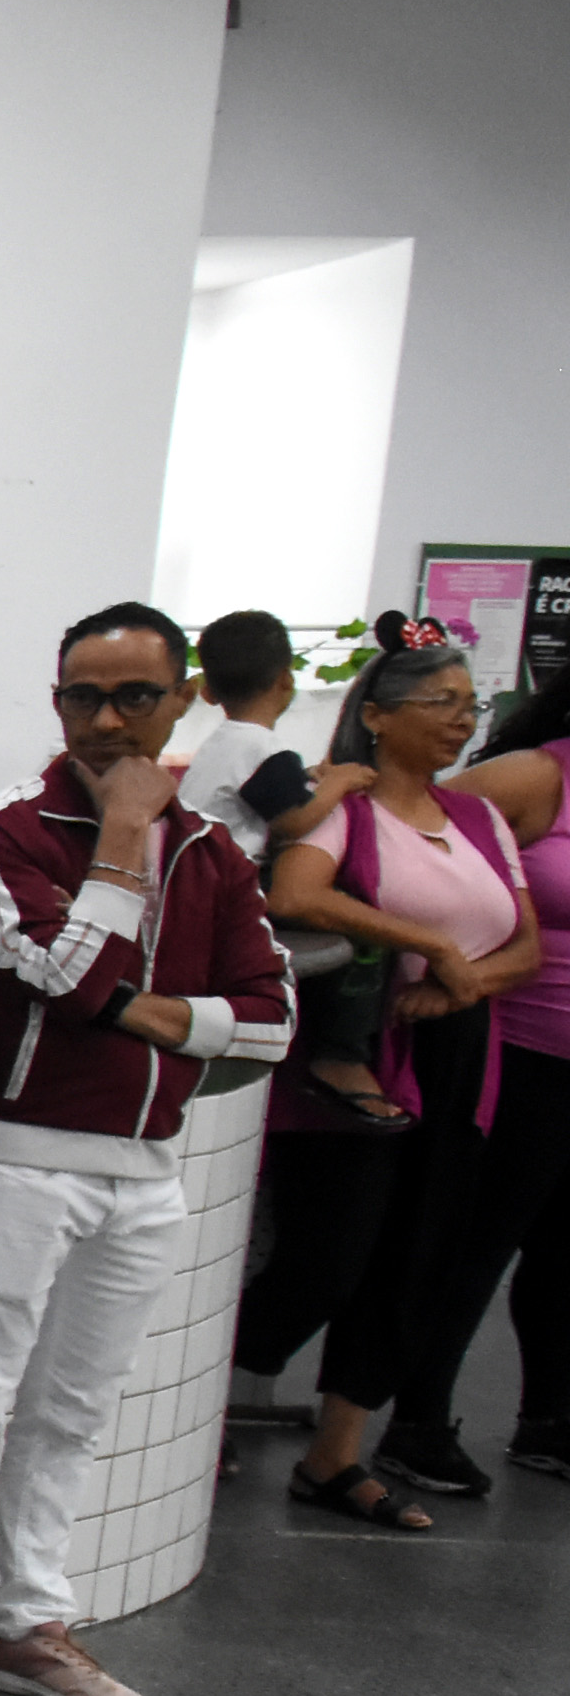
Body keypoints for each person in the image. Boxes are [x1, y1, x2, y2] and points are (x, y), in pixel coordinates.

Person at [0, 604, 291, 1696]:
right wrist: (116, 844)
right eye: (80, 698)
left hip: (147, 1169)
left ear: (178, 700)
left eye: (132, 698)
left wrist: (154, 1017)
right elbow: (58, 971)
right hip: (15, 1158)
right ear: (55, 703)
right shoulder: (1, 829)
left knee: (72, 1410)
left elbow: (272, 1021)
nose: (104, 721)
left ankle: (27, 1622)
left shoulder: (212, 855)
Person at [227, 638, 540, 1517]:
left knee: (416, 1255)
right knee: (329, 1256)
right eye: (440, 701)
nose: (460, 719)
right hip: (358, 1056)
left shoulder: (476, 820)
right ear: (376, 714)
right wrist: (432, 945)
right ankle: (198, 1400)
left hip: (456, 1046)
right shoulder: (347, 801)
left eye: (469, 705)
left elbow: (524, 944)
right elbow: (296, 895)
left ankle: (335, 1455)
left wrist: (461, 985)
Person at [185, 605, 403, 1125]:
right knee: (364, 928)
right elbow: (291, 822)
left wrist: (311, 778)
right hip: (232, 885)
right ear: (286, 680)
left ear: (209, 692)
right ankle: (340, 1051)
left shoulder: (222, 744)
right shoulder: (262, 745)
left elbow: (266, 794)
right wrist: (338, 784)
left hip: (197, 878)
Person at [439, 655, 570, 1478]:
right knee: (480, 1241)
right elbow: (409, 845)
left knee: (564, 1250)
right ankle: (418, 1419)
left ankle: (548, 1419)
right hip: (522, 1048)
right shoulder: (532, 776)